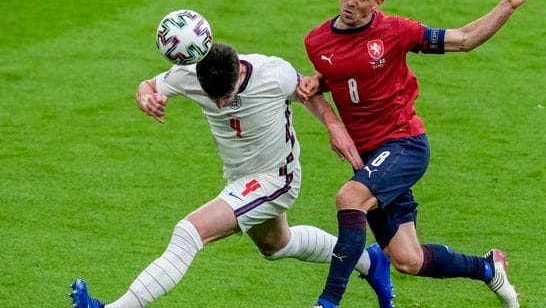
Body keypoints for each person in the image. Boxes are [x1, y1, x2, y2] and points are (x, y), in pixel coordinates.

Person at [69, 43, 396, 308]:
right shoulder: (191, 73)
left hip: (275, 179)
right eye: (214, 100)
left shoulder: (273, 73)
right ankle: (370, 262)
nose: (221, 105)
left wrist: (334, 127)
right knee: (276, 245)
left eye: (226, 98)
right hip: (241, 178)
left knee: (189, 232)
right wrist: (147, 98)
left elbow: (309, 93)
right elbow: (150, 85)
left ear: (240, 72)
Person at [297, 0, 539, 308]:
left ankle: (328, 302)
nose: (351, 1)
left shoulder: (396, 31)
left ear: (378, 3)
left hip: (404, 145)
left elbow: (465, 39)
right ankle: (488, 268)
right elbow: (343, 77)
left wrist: (507, 4)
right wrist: (317, 82)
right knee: (408, 260)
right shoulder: (317, 41)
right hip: (369, 159)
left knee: (350, 200)